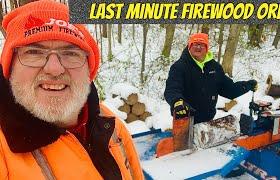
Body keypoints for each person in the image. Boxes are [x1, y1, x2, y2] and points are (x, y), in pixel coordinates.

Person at [0, 1, 143, 179]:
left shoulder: (111, 126)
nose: (54, 68)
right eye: (34, 52)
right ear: (9, 68)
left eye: (70, 53)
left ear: (88, 70)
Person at [164, 33, 257, 124]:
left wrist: (247, 85)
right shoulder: (179, 66)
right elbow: (172, 89)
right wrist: (177, 101)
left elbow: (229, 89)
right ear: (189, 46)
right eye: (195, 44)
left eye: (202, 45)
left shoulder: (214, 67)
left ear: (207, 48)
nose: (198, 47)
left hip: (208, 121)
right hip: (185, 120)